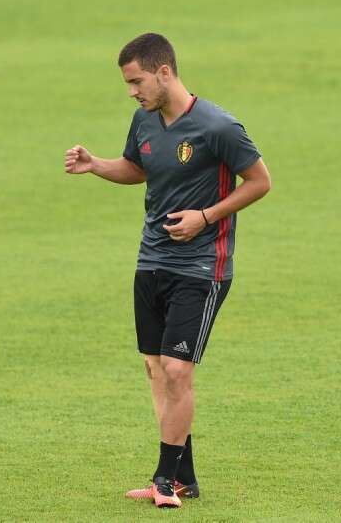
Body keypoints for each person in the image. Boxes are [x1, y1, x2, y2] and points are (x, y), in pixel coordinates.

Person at [64, 32, 271, 509]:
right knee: (158, 370)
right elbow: (138, 168)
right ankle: (184, 479)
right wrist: (96, 165)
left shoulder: (218, 126)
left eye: (136, 81)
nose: (132, 92)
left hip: (202, 265)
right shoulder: (144, 120)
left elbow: (260, 181)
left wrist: (206, 216)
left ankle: (163, 479)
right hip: (151, 260)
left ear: (164, 72)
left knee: (178, 369)